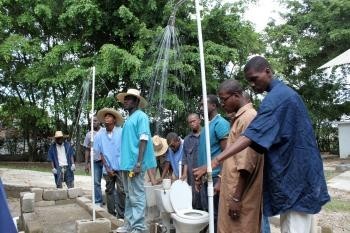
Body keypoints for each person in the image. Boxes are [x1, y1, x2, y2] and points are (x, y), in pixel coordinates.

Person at [194, 56, 330, 233]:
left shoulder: (276, 99)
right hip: (296, 177)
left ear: (268, 71)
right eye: (249, 81)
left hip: (296, 178)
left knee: (293, 227)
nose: (252, 84)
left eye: (254, 78)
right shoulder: (283, 95)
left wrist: (215, 161)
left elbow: (251, 138)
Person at [216, 79, 264, 233]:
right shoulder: (239, 118)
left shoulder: (248, 117)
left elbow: (246, 164)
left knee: (241, 228)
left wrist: (236, 198)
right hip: (232, 189)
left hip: (241, 195)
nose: (222, 104)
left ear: (236, 95)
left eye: (224, 99)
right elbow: (233, 158)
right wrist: (221, 180)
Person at [116, 89, 157, 233]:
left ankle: (139, 228)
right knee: (128, 195)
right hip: (127, 164)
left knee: (137, 196)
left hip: (135, 164)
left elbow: (144, 139)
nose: (126, 101)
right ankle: (129, 225)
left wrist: (139, 163)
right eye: (125, 99)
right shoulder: (129, 119)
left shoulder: (141, 116)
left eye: (129, 99)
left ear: (137, 101)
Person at [198, 94, 230, 233]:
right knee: (210, 213)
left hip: (216, 177)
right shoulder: (206, 126)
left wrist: (221, 179)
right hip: (207, 177)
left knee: (218, 215)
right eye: (200, 105)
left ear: (213, 106)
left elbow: (227, 153)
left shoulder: (220, 123)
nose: (200, 107)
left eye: (203, 104)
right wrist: (200, 177)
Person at [94, 108, 125, 218]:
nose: (106, 117)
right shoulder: (100, 134)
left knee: (122, 191)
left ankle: (121, 215)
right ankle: (111, 214)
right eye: (105, 116)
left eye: (109, 116)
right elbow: (101, 153)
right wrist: (107, 168)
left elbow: (125, 148)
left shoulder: (121, 131)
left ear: (114, 120)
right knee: (109, 191)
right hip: (107, 168)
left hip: (121, 166)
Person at [181, 113, 202, 209]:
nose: (192, 124)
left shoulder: (206, 134)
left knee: (206, 196)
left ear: (199, 120)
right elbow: (185, 157)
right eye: (190, 122)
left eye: (194, 121)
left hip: (205, 172)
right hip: (192, 175)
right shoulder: (187, 139)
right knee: (194, 197)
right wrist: (184, 173)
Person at [83, 115, 103, 206]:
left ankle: (112, 202)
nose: (93, 123)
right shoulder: (89, 135)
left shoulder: (104, 131)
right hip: (95, 161)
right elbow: (87, 149)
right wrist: (86, 164)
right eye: (92, 121)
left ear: (99, 121)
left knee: (110, 181)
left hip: (106, 161)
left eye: (95, 121)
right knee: (96, 182)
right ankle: (98, 201)